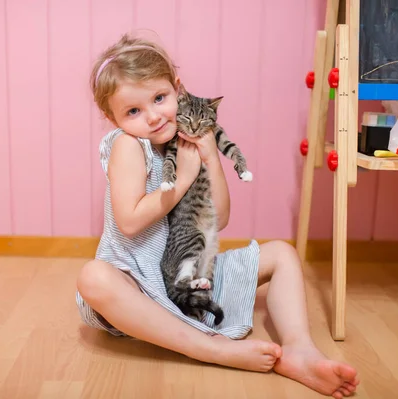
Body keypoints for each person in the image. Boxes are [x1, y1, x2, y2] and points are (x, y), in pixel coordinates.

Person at [75, 33, 360, 399]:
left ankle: (299, 349)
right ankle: (210, 347)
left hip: (184, 278)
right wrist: (184, 179)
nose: (152, 116)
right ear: (111, 117)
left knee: (281, 254)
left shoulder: (188, 139)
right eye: (133, 111)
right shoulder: (129, 145)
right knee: (93, 277)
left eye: (160, 98)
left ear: (179, 89)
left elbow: (220, 218)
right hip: (135, 287)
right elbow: (129, 221)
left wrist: (209, 156)